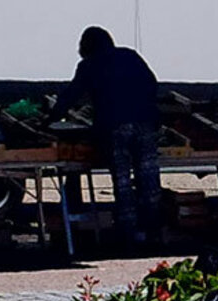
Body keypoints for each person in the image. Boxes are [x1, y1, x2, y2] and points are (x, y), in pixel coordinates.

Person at [51, 27, 163, 247]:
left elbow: (70, 96)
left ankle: (128, 234)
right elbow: (153, 84)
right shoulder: (130, 55)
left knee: (122, 181)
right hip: (146, 123)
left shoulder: (88, 65)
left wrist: (49, 119)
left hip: (114, 127)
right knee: (148, 179)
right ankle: (153, 232)